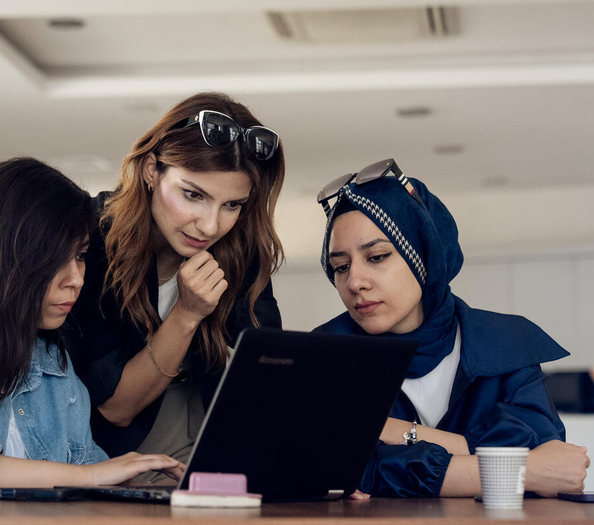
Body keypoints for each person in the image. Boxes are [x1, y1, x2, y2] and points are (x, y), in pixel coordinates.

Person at [0, 158, 183, 495]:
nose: (75, 280)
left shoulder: (51, 355)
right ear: (6, 253)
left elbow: (88, 468)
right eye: (55, 259)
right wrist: (91, 477)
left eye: (80, 256)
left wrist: (144, 487)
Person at [314, 158, 590, 498]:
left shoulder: (505, 344)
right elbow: (334, 469)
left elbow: (547, 461)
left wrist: (388, 432)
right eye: (340, 266)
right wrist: (515, 468)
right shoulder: (322, 355)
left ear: (425, 256)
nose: (355, 281)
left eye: (377, 257)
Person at [62, 92, 285, 470]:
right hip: (112, 450)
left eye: (232, 204)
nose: (211, 225)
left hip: (216, 438)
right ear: (152, 170)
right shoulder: (89, 242)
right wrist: (186, 314)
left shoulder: (239, 247)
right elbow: (117, 409)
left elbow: (268, 377)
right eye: (193, 195)